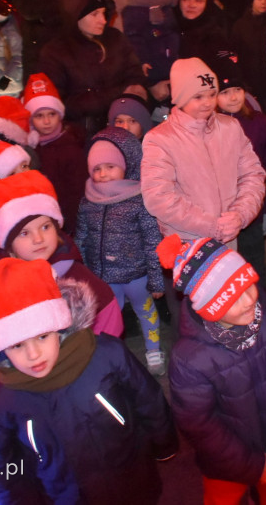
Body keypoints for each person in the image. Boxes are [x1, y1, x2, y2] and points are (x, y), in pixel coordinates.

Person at [0, 258, 177, 502]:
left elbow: (147, 398)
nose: (33, 354)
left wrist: (164, 442)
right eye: (17, 345)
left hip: (131, 481)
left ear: (59, 328)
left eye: (42, 337)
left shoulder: (105, 355)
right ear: (1, 350)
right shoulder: (3, 399)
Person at [163, 236, 266, 504]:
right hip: (227, 464)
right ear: (209, 308)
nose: (248, 301)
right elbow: (200, 427)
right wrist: (253, 466)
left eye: (249, 285)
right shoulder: (190, 360)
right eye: (231, 298)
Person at [0, 170, 123, 338]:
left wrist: (97, 351)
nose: (38, 239)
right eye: (24, 233)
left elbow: (108, 315)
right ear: (8, 244)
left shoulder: (77, 276)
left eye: (45, 227)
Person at [141, 58, 266, 246]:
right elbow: (158, 197)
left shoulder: (230, 127)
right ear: (181, 98)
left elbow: (252, 175)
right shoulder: (160, 138)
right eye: (198, 97)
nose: (208, 102)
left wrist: (239, 215)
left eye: (212, 94)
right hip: (186, 242)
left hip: (228, 236)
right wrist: (211, 226)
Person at [75, 126, 166, 374]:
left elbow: (152, 241)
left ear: (125, 166)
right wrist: (83, 274)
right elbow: (81, 238)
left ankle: (154, 350)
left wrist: (157, 279)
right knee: (106, 318)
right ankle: (111, 357)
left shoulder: (138, 199)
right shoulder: (88, 201)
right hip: (104, 278)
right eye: (97, 169)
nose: (104, 174)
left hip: (137, 276)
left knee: (145, 312)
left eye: (110, 166)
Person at [37, 0, 147, 139]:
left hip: (122, 126)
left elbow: (135, 76)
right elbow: (58, 105)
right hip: (79, 136)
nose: (103, 20)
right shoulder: (55, 52)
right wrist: (117, 93)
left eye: (103, 13)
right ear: (75, 16)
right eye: (94, 14)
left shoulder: (115, 38)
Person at [213, 57, 266, 290]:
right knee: (226, 268)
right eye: (225, 92)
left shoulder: (259, 123)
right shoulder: (209, 126)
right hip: (220, 212)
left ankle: (259, 303)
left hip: (253, 209)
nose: (233, 97)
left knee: (253, 265)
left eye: (237, 90)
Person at [22, 73, 87, 233]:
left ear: (60, 115)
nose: (46, 121)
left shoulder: (71, 148)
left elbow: (76, 194)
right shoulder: (28, 148)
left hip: (64, 221)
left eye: (52, 114)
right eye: (39, 116)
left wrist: (69, 226)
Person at [121, 0, 180, 92]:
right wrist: (142, 59)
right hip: (153, 65)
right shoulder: (135, 10)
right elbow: (134, 38)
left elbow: (173, 29)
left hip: (172, 60)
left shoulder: (165, 4)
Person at [230, 0, 266, 115]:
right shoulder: (240, 26)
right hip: (250, 83)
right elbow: (235, 54)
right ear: (252, 1)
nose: (264, 2)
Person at [174, 0, 230, 64]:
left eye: (198, 0)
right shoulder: (167, 30)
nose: (191, 5)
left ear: (207, 3)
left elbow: (228, 68)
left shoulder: (216, 38)